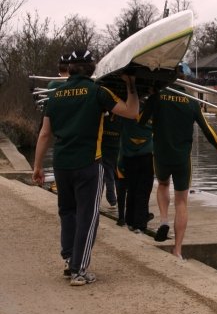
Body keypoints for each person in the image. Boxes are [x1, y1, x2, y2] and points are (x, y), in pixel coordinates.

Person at [32, 50, 139, 286]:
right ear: (91, 68)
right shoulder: (98, 92)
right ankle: (79, 270)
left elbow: (45, 134)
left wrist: (38, 166)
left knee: (67, 212)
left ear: (69, 69)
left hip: (61, 164)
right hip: (89, 163)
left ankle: (69, 259)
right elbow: (132, 112)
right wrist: (131, 85)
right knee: (88, 217)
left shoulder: (55, 95)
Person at [140, 69, 217, 260]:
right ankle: (177, 250)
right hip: (182, 158)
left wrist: (150, 102)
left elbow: (140, 121)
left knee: (163, 184)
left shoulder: (157, 97)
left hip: (161, 154)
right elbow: (206, 128)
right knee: (181, 201)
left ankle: (164, 220)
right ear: (185, 82)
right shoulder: (191, 101)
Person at [121, 109, 154, 233]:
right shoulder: (152, 110)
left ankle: (130, 219)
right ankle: (140, 223)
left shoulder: (125, 110)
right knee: (144, 190)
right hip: (146, 155)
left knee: (132, 188)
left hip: (128, 155)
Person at [100, 113, 121, 208]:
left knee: (109, 176)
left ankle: (112, 200)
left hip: (108, 150)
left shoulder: (104, 117)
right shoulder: (122, 117)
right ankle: (114, 200)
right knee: (115, 176)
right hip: (115, 150)